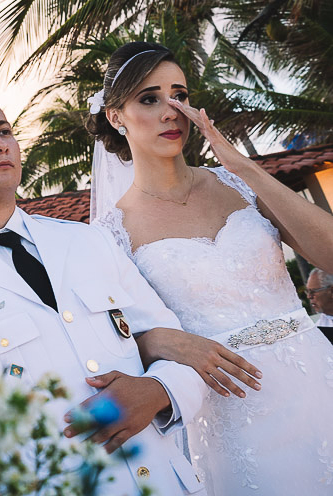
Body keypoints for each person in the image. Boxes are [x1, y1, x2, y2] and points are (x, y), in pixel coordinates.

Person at [0, 83, 207, 496]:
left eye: (4, 131)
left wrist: (158, 390)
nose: (0, 144)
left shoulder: (89, 242)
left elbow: (179, 346)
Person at [86, 41, 333, 494]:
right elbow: (110, 339)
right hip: (234, 412)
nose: (171, 111)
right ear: (116, 116)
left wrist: (244, 167)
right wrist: (155, 340)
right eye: (149, 98)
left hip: (320, 380)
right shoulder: (109, 234)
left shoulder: (238, 182)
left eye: (179, 95)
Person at [307, 268, 333, 344]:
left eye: (313, 291)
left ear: (331, 291)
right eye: (308, 291)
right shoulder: (318, 329)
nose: (309, 296)